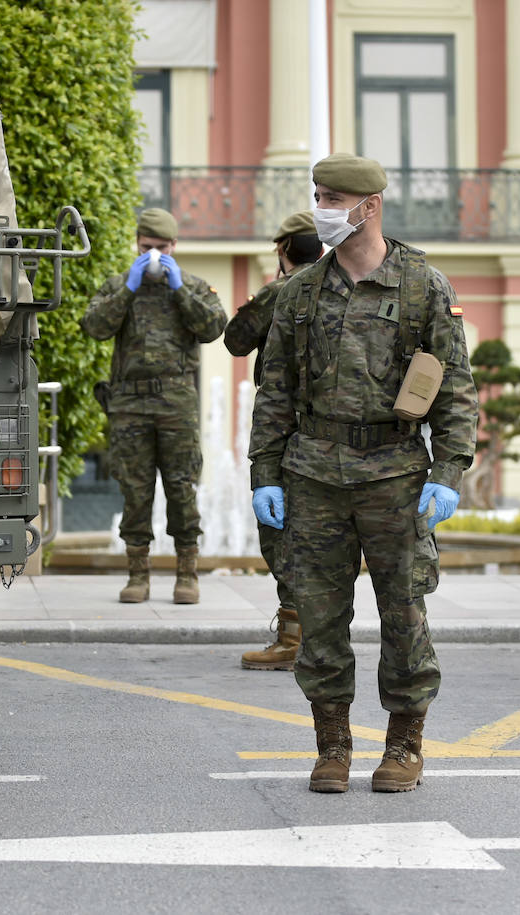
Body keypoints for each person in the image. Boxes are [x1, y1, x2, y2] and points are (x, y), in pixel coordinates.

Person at [248, 154, 478, 793]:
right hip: (314, 475)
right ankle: (333, 747)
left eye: (330, 198)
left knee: (403, 613)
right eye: (317, 197)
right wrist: (263, 473)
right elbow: (274, 392)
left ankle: (404, 746)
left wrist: (449, 471)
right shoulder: (300, 293)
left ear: (367, 207)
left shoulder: (423, 287)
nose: (320, 209)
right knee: (320, 618)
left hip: (396, 475)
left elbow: (455, 389)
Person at [81, 208, 227, 604]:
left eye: (162, 248)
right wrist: (128, 289)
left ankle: (187, 573)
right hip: (129, 402)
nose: (154, 256)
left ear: (175, 247)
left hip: (176, 401)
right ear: (137, 244)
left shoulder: (193, 287)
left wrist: (180, 290)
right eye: (147, 248)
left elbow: (215, 328)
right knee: (135, 489)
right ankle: (137, 575)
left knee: (181, 487)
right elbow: (94, 326)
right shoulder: (119, 287)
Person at [226, 210, 323, 671]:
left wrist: (264, 293)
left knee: (281, 531)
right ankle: (319, 637)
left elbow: (235, 341)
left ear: (285, 250)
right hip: (332, 431)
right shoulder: (344, 284)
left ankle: (293, 638)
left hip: (285, 430)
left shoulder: (283, 290)